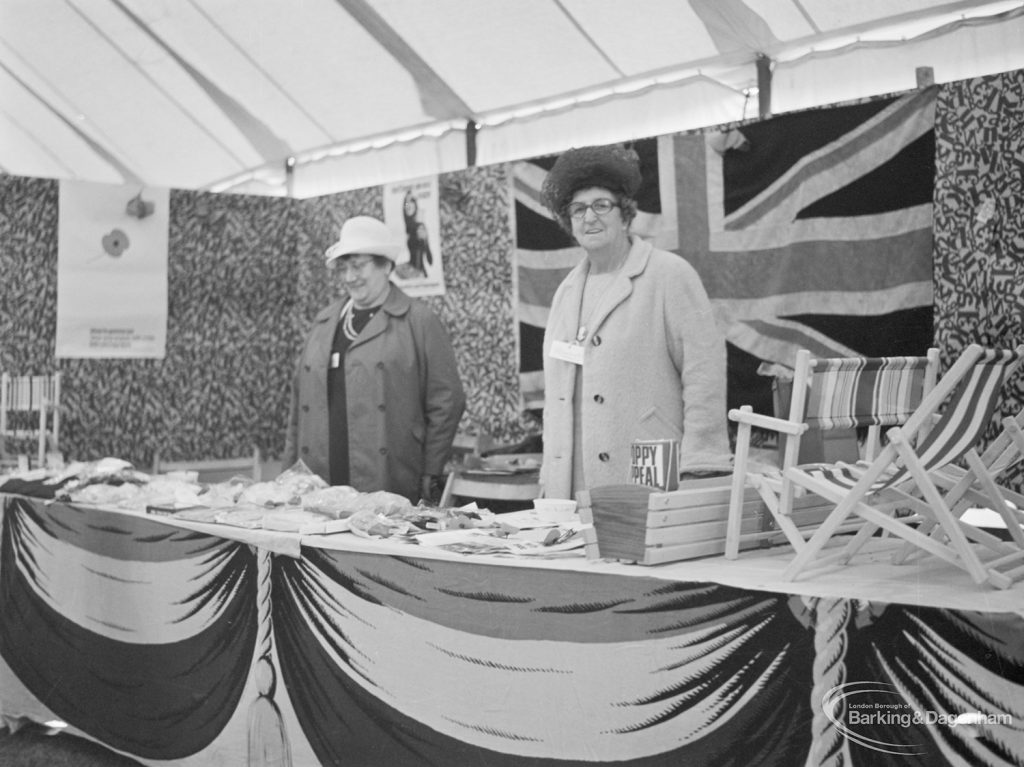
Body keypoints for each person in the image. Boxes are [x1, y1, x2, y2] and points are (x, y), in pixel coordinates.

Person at [538, 144, 731, 500]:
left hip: (650, 473)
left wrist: (701, 464)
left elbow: (704, 374)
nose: (589, 217)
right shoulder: (565, 293)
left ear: (625, 213)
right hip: (572, 488)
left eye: (601, 205)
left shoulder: (669, 275)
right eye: (578, 209)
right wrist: (550, 475)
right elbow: (556, 399)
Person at [284, 215, 465, 504]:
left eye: (358, 266)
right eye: (343, 268)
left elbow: (447, 400)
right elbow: (298, 404)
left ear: (386, 265)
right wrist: (290, 470)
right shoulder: (323, 323)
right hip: (319, 478)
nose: (349, 277)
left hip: (388, 477)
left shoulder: (418, 320)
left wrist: (430, 469)